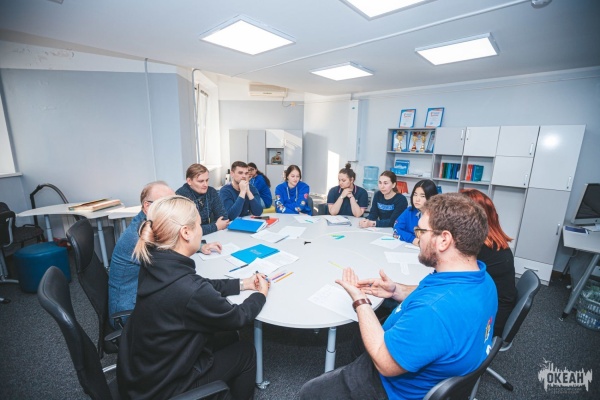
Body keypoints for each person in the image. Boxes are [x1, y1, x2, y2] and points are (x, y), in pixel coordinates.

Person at [299, 193, 497, 400]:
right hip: (421, 359)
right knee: (359, 342)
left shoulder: (432, 312)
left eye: (421, 231)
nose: (417, 237)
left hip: (389, 387)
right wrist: (396, 291)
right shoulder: (483, 280)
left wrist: (360, 300)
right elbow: (432, 295)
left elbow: (384, 362)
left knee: (310, 392)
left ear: (444, 240)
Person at [117, 195, 269, 400]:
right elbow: (238, 317)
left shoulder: (154, 261)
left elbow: (201, 285)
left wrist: (243, 283)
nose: (201, 230)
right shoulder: (189, 288)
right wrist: (260, 294)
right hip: (164, 389)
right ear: (186, 232)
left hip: (142, 373)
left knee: (228, 336)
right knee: (246, 352)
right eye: (198, 224)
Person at [108, 181, 221, 328]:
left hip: (146, 296)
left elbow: (170, 243)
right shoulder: (139, 237)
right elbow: (174, 262)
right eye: (166, 203)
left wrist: (200, 246)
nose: (173, 208)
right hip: (129, 312)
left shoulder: (149, 224)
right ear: (147, 206)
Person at [461, 188, 517, 337]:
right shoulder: (491, 242)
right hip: (487, 307)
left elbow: (456, 285)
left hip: (489, 324)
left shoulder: (482, 249)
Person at [175, 163, 229, 235]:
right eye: (201, 181)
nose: (205, 185)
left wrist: (207, 228)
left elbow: (224, 219)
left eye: (207, 180)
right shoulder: (181, 196)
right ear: (189, 181)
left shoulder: (211, 192)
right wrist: (216, 226)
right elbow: (188, 230)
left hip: (210, 236)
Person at [393, 179, 438, 244]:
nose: (417, 199)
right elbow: (396, 229)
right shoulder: (409, 211)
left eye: (422, 196)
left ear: (431, 198)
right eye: (415, 194)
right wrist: (413, 239)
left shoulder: (437, 216)